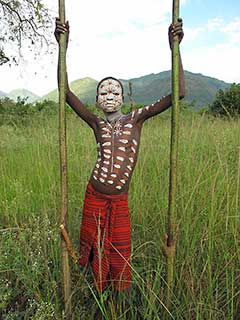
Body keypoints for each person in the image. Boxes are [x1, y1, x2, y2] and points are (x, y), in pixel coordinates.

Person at [54, 18, 185, 292]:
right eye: (104, 91)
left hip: (119, 200)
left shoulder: (136, 119)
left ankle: (116, 297)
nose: (109, 94)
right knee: (94, 247)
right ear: (98, 100)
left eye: (115, 90)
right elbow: (65, 92)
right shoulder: (95, 122)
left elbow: (179, 92)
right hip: (94, 195)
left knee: (118, 249)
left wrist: (175, 48)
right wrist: (61, 47)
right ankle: (96, 292)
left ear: (123, 99)